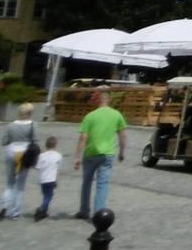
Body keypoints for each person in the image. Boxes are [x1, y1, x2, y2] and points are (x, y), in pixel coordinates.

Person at [73, 88, 126, 219]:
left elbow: (83, 137)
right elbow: (123, 135)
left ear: (98, 101)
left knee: (86, 182)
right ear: (109, 100)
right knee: (102, 185)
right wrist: (122, 152)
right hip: (107, 154)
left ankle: (84, 210)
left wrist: (77, 157)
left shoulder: (90, 116)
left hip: (90, 153)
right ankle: (99, 215)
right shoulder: (117, 115)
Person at [0, 102, 37, 220]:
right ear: (30, 113)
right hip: (24, 154)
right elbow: (35, 140)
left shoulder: (11, 125)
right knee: (20, 185)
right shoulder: (33, 125)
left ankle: (4, 205)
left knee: (10, 183)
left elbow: (4, 141)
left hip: (11, 152)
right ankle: (15, 212)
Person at [33, 136, 61, 220]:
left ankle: (44, 211)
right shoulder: (58, 155)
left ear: (46, 145)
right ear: (55, 145)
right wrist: (56, 179)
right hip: (51, 179)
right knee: (49, 195)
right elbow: (58, 169)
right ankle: (41, 209)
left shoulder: (41, 155)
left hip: (42, 179)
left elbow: (37, 167)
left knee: (45, 195)